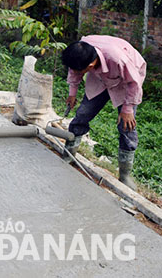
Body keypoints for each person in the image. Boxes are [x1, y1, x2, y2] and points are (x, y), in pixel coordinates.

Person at [61, 36, 147, 190]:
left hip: (127, 82)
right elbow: (74, 71)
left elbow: (134, 83)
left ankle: (125, 175)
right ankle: (69, 154)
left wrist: (127, 109)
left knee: (126, 126)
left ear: (91, 64)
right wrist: (72, 93)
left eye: (81, 69)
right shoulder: (82, 50)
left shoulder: (119, 59)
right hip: (100, 79)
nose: (76, 71)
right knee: (83, 114)